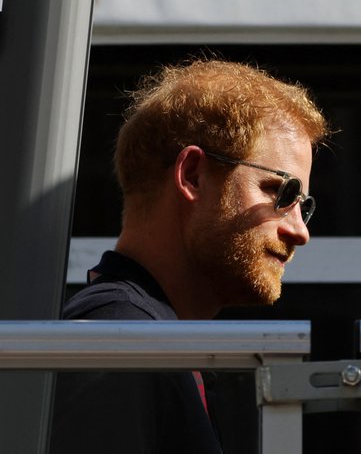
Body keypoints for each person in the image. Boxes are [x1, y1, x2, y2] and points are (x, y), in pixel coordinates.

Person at [50, 59, 328, 453]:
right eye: (280, 192)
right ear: (193, 175)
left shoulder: (149, 337)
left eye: (304, 205)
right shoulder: (121, 338)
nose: (300, 231)